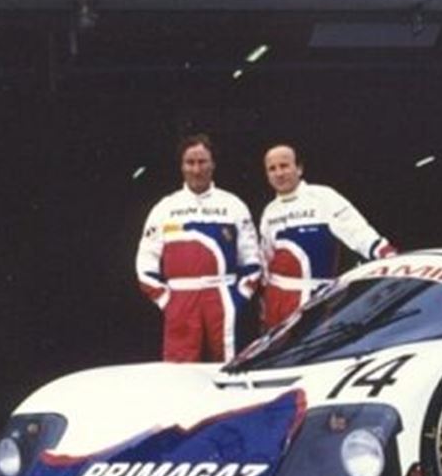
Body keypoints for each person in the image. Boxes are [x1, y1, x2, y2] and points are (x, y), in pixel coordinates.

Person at [136, 133, 261, 362]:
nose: (196, 169)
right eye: (190, 162)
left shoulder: (233, 205)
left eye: (202, 162)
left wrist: (238, 297)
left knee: (228, 367)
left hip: (223, 298)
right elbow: (145, 262)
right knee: (179, 373)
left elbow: (252, 258)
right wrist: (166, 300)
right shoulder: (165, 207)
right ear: (182, 166)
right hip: (180, 300)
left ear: (213, 164)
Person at [258, 144, 396, 329]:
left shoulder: (324, 197)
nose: (279, 173)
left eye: (284, 166)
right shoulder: (269, 211)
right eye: (272, 169)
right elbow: (265, 260)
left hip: (316, 299)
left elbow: (359, 232)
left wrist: (390, 259)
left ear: (299, 168)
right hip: (277, 302)